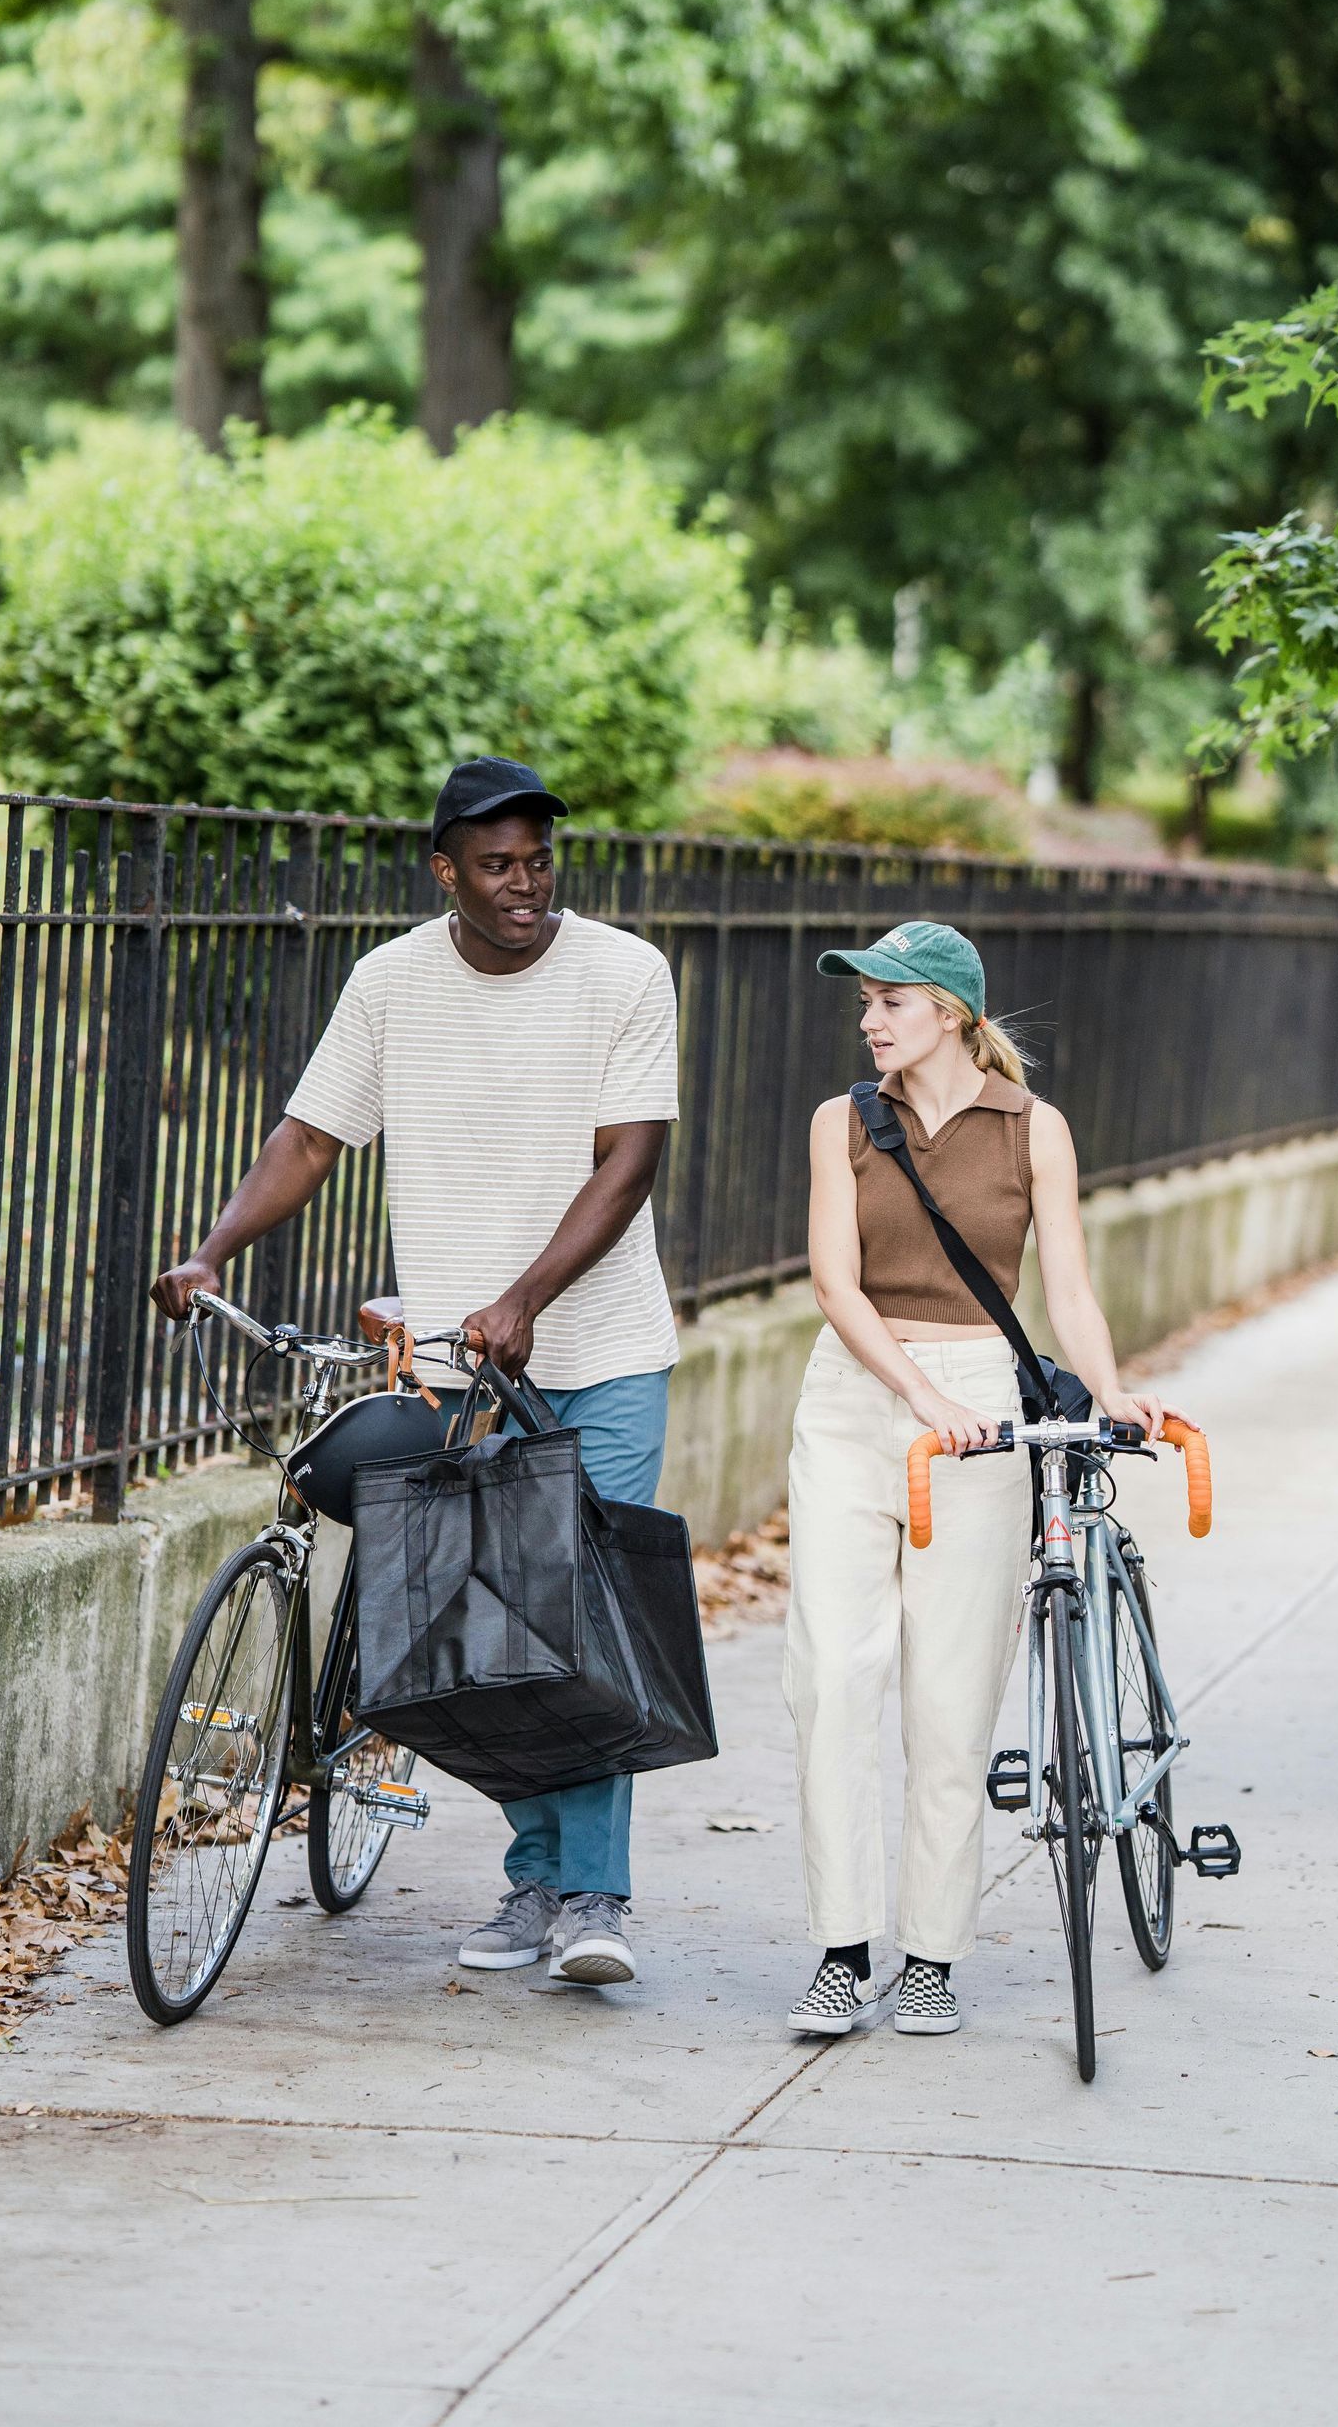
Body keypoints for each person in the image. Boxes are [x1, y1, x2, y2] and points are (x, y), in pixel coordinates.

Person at [151, 755, 680, 1991]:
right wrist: (215, 1248)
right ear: (444, 871)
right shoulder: (390, 984)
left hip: (597, 1354)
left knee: (580, 1612)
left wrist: (525, 1298)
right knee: (492, 1629)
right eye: (496, 865)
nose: (526, 884)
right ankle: (538, 1876)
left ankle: (593, 1895)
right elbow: (310, 1135)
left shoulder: (625, 972)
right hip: (450, 1364)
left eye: (539, 860)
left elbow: (630, 1161)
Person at [781, 919, 1195, 2039]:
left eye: (891, 1002)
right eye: (863, 1003)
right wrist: (923, 1401)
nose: (869, 1021)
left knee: (950, 1697)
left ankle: (930, 1957)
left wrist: (1109, 1390)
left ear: (951, 1013)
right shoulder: (842, 1124)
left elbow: (1068, 1283)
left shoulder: (1034, 1130)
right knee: (829, 1676)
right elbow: (835, 1285)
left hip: (981, 1401)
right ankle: (840, 1948)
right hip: (859, 1397)